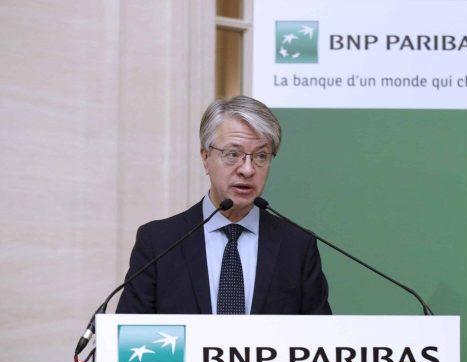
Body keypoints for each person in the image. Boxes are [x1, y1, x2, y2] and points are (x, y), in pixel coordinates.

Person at [116, 96, 331, 315]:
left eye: (261, 156)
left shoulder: (297, 247)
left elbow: (321, 340)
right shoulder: (158, 243)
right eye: (233, 154)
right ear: (205, 157)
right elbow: (130, 337)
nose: (247, 170)